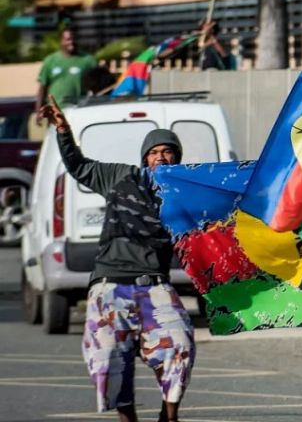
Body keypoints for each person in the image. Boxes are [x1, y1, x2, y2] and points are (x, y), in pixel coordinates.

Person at [41, 99, 193, 422]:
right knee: (109, 359)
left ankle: (169, 417)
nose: (161, 157)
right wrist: (63, 130)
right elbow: (78, 165)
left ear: (178, 160)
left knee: (180, 346)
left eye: (168, 152)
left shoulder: (184, 193)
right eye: (154, 152)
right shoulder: (121, 177)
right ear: (144, 158)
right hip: (110, 284)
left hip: (154, 285)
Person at [36, 26, 97, 116]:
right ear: (61, 41)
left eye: (73, 39)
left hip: (79, 110)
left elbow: (98, 85)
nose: (71, 42)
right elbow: (42, 88)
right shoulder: (50, 61)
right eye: (68, 39)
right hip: (55, 111)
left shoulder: (88, 60)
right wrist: (39, 111)